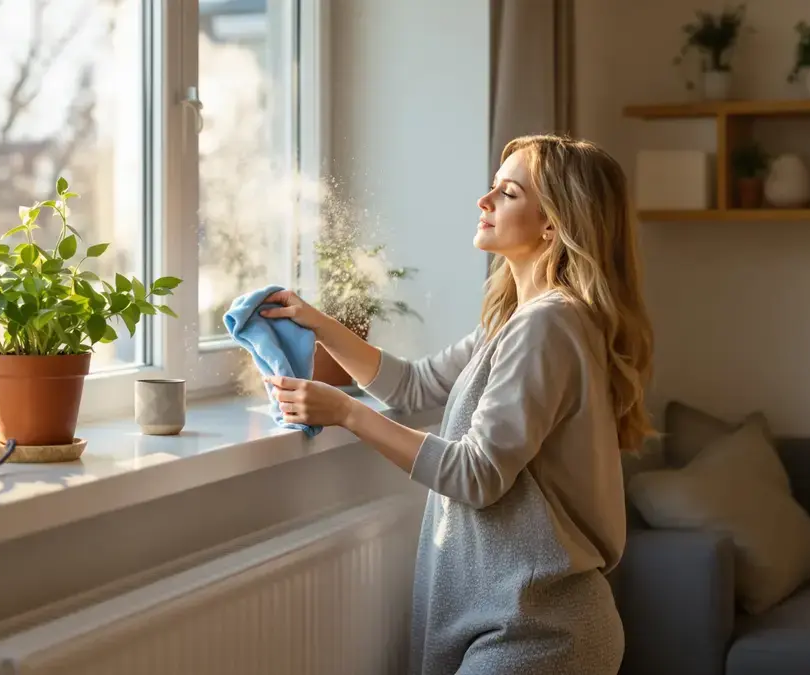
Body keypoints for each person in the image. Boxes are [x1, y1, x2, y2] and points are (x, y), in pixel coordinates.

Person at [260, 134, 654, 675]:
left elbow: (477, 474)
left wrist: (347, 413)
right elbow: (413, 387)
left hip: (540, 634)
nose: (484, 201)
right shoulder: (520, 320)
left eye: (508, 193)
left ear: (553, 222)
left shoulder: (548, 325)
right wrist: (320, 325)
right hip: (517, 623)